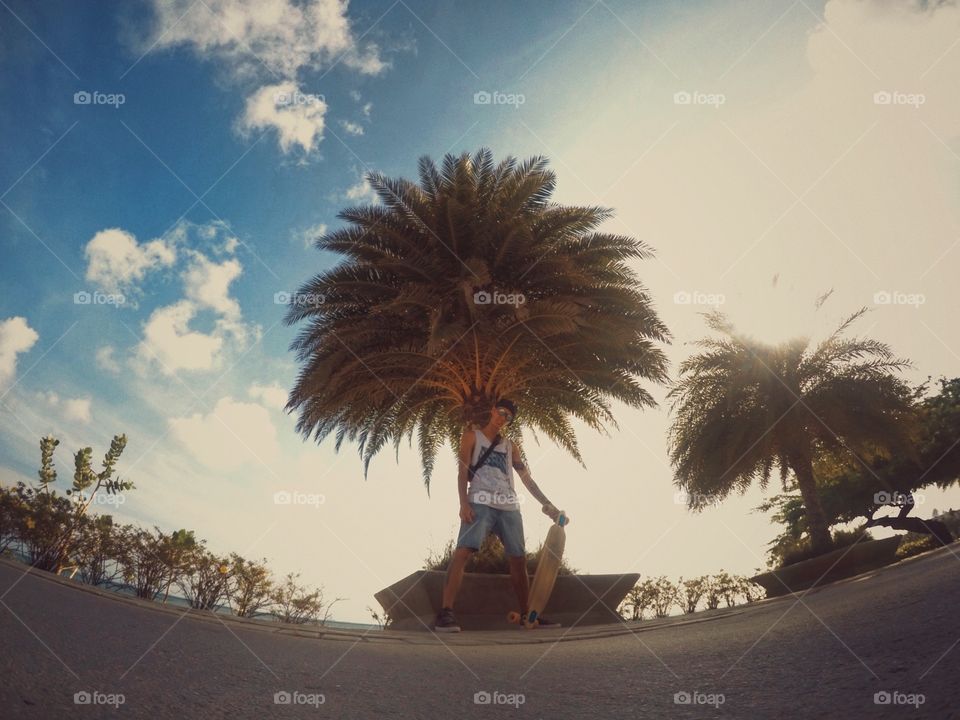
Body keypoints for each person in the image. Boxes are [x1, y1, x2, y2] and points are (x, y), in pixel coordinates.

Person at [434, 398, 566, 632]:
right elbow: (462, 471)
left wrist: (548, 506)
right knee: (463, 552)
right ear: (492, 410)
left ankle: (529, 614)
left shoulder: (510, 446)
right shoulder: (471, 437)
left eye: (508, 416)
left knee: (518, 559)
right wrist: (463, 503)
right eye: (501, 412)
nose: (503, 417)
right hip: (479, 501)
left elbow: (526, 479)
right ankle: (445, 613)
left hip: (509, 506)